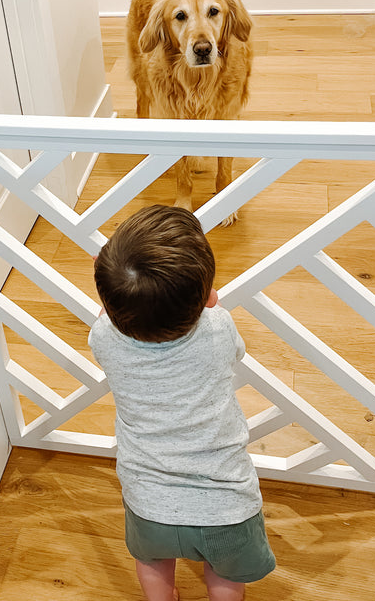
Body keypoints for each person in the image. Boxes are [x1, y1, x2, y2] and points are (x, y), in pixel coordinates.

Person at [89, 204, 276, 601]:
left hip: (147, 498)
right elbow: (234, 351)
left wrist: (114, 292)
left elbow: (110, 319)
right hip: (227, 505)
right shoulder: (219, 328)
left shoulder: (103, 337)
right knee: (225, 578)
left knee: (153, 563)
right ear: (208, 295)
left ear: (107, 302)